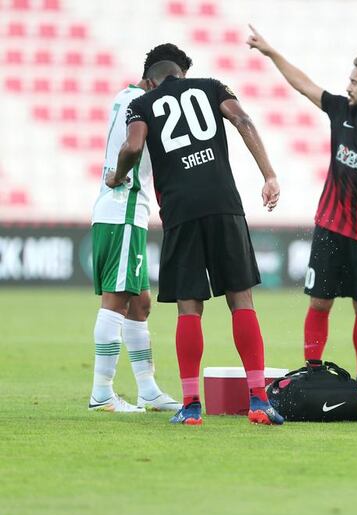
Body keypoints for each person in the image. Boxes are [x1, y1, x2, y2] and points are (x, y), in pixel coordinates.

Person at [107, 60, 283, 426]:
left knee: (189, 307)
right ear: (181, 75)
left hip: (181, 210)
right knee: (241, 299)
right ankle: (260, 401)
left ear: (151, 81)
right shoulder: (213, 86)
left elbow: (132, 147)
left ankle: (190, 407)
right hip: (224, 204)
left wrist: (116, 176)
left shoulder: (143, 103)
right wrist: (269, 175)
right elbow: (244, 121)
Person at [247, 25, 357, 391]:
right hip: (329, 226)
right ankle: (312, 369)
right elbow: (303, 84)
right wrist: (271, 52)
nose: (348, 85)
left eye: (355, 81)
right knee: (319, 301)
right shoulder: (341, 109)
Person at [88, 44, 193, 413]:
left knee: (141, 304)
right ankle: (101, 393)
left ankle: (147, 389)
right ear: (154, 79)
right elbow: (133, 149)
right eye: (171, 82)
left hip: (121, 211)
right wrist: (120, 175)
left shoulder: (124, 96)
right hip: (123, 208)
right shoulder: (143, 104)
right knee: (116, 302)